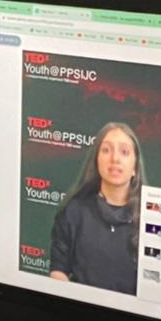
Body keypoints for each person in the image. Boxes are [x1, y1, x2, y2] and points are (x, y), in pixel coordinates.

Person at [49, 122, 144, 294]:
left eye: (124, 152)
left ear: (135, 168)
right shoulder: (73, 211)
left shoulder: (149, 219)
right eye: (106, 150)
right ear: (96, 160)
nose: (115, 159)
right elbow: (58, 270)